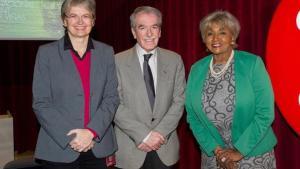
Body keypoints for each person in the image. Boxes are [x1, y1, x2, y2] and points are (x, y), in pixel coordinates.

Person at [32, 0, 119, 168]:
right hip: (59, 147)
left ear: (93, 21)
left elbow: (111, 98)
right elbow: (41, 103)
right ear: (64, 20)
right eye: (73, 16)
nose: (80, 22)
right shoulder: (46, 53)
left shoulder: (106, 52)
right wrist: (73, 137)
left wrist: (91, 132)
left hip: (98, 146)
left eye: (86, 16)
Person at [185, 11, 277, 169]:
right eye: (209, 33)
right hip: (213, 157)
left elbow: (265, 113)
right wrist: (218, 152)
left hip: (253, 155)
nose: (215, 39)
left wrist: (238, 151)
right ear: (204, 39)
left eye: (222, 32)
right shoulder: (196, 69)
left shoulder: (252, 64)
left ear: (232, 37)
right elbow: (192, 117)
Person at [114, 6, 186, 169]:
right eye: (142, 27)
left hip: (165, 148)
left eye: (154, 27)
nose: (149, 33)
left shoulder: (174, 60)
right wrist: (143, 136)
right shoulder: (116, 61)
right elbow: (114, 104)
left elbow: (179, 101)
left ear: (160, 31)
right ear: (133, 32)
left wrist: (158, 134)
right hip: (130, 150)